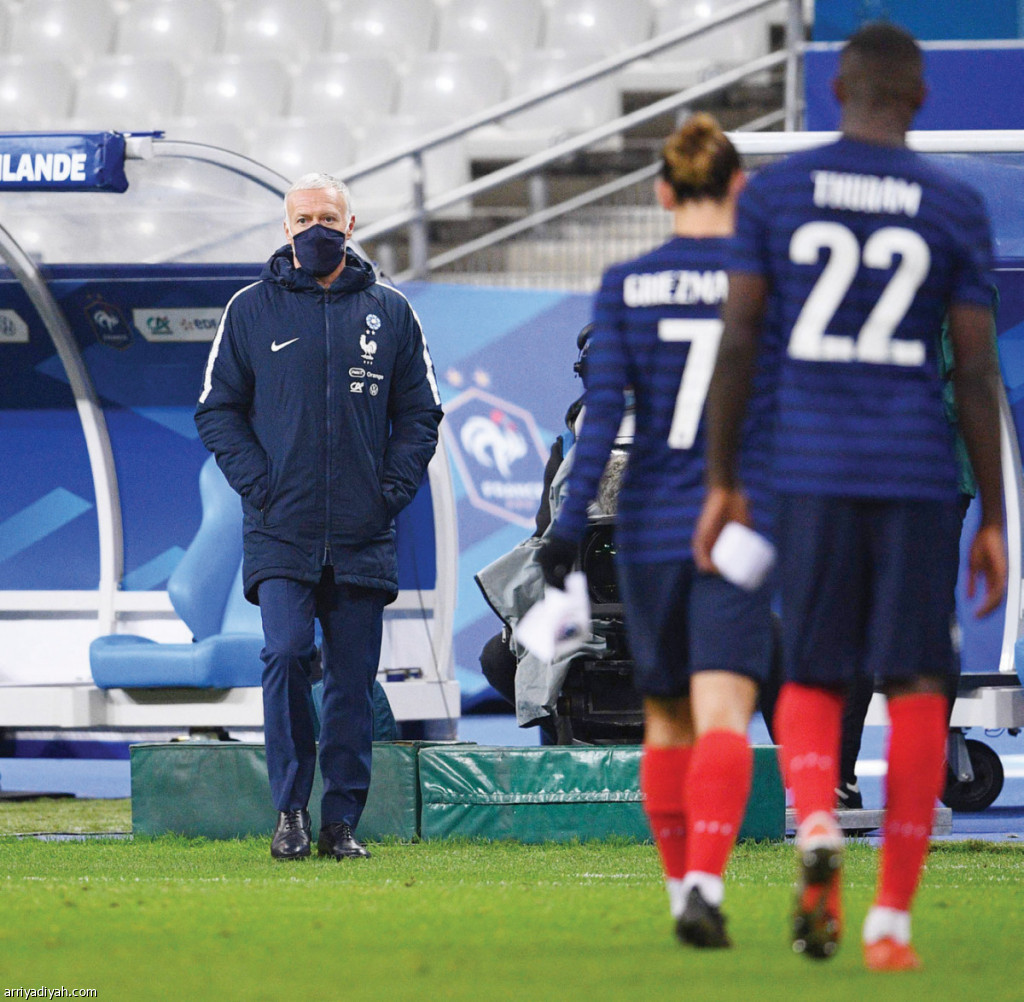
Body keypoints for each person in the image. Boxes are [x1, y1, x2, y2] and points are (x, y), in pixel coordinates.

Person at [693, 23, 1006, 971]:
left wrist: (722, 481)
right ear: (921, 98)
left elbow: (738, 340)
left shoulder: (775, 193)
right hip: (916, 470)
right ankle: (891, 921)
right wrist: (995, 515)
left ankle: (820, 817)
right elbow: (976, 370)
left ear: (836, 89)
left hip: (810, 466)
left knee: (814, 669)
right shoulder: (954, 204)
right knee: (917, 684)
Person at [538, 114, 778, 949]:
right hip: (738, 519)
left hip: (648, 525)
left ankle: (681, 893)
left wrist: (566, 528)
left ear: (663, 192)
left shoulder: (627, 284)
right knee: (725, 714)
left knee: (667, 719)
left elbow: (599, 421)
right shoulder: (764, 278)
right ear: (739, 184)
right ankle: (709, 878)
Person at [195, 172, 443, 862]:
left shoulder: (391, 311)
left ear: (351, 224)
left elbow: (420, 414)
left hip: (363, 531)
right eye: (303, 219)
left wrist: (388, 491)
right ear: (286, 228)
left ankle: (341, 823)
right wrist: (261, 486)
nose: (315, 230)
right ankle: (289, 812)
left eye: (327, 218)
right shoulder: (251, 308)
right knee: (283, 654)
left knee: (351, 681)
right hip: (281, 527)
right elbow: (217, 410)